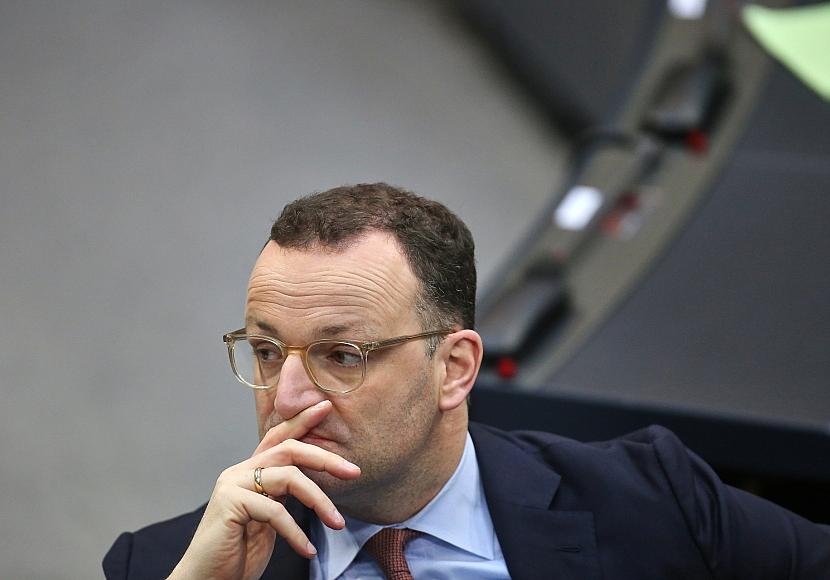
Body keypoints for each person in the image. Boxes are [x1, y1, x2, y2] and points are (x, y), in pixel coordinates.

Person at [104, 183, 830, 580]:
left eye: (343, 355)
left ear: (454, 368)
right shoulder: (168, 566)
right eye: (267, 351)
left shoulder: (650, 501)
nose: (286, 395)